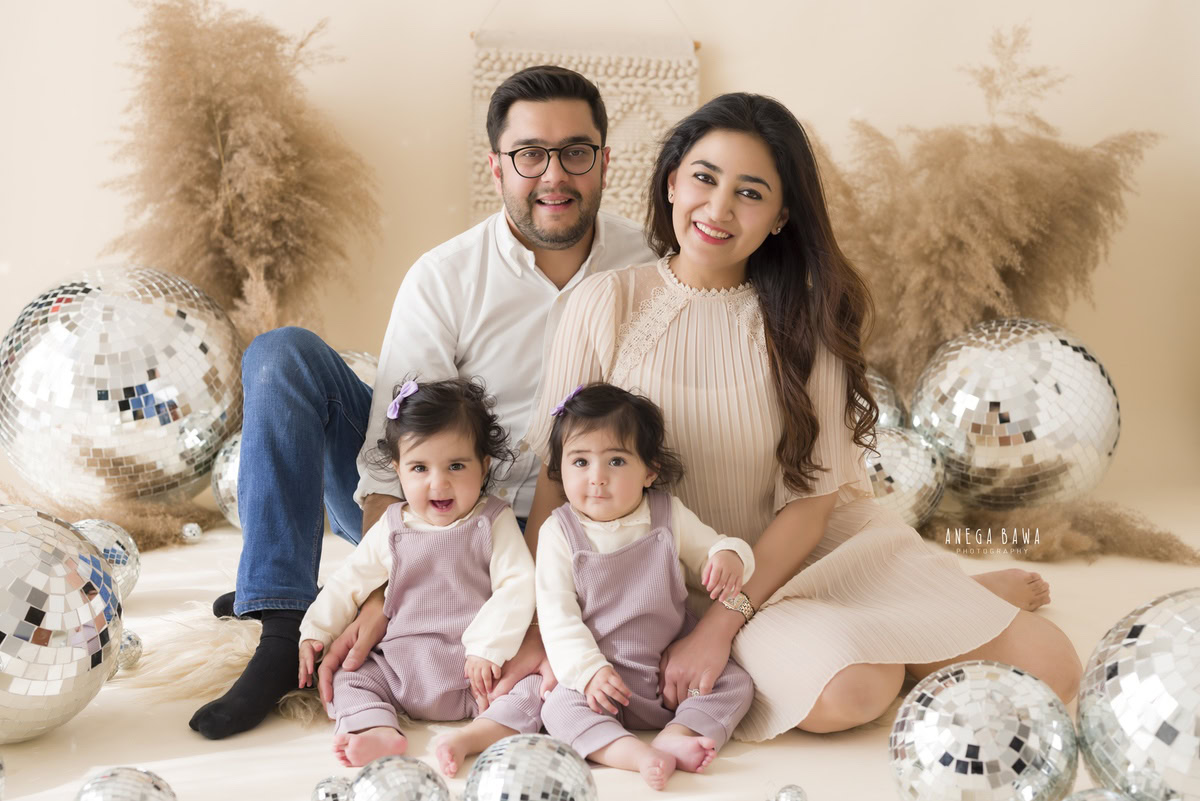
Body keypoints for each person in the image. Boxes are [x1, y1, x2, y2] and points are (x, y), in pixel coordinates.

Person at [524, 92, 1078, 744]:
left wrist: (716, 628)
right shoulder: (605, 303)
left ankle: (930, 602)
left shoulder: (800, 324)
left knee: (1054, 670)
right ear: (672, 179)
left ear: (782, 216)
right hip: (668, 581)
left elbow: (811, 507)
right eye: (704, 178)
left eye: (749, 192)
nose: (718, 208)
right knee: (854, 692)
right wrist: (539, 630)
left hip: (802, 559)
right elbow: (556, 480)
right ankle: (918, 617)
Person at [189, 65, 655, 740]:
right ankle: (282, 621)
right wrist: (386, 590)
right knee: (280, 356)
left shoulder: (646, 267)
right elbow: (391, 457)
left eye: (575, 152)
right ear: (497, 168)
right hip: (430, 498)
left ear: (605, 163)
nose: (554, 175)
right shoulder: (446, 276)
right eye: (529, 154)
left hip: (563, 513)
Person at [297, 379, 542, 773]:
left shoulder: (492, 521)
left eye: (456, 466)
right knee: (351, 675)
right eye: (419, 468)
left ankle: (476, 736)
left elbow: (518, 585)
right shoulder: (393, 526)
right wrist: (316, 630)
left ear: (485, 466)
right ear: (398, 470)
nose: (438, 483)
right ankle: (377, 729)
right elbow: (350, 581)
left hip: (475, 673)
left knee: (534, 688)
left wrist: (488, 648)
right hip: (400, 666)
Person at [535, 383, 755, 790]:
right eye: (580, 462)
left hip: (668, 670)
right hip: (603, 679)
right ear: (560, 470)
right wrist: (588, 673)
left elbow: (712, 548)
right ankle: (629, 752)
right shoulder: (559, 532)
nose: (597, 479)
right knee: (557, 708)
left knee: (734, 682)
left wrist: (729, 557)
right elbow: (556, 616)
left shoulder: (666, 514)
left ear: (649, 470)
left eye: (616, 461)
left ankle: (679, 735)